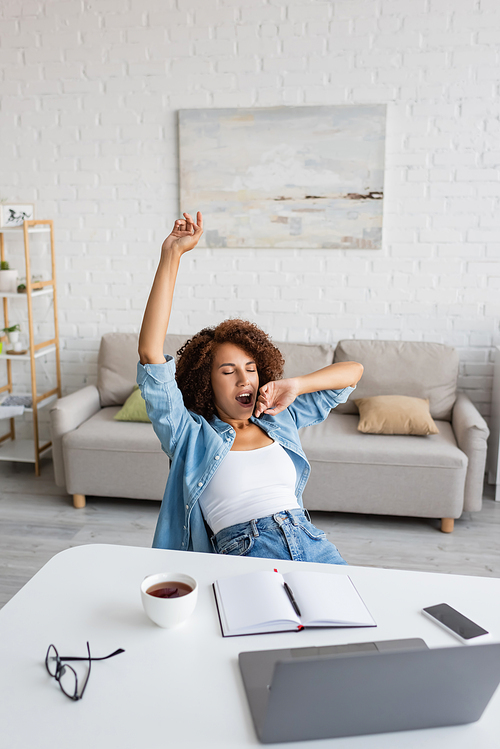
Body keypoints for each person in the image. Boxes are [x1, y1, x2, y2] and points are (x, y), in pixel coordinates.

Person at [137, 211, 364, 564]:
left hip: (312, 543)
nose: (245, 380)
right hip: (247, 553)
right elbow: (151, 353)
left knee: (353, 617)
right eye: (228, 372)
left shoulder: (277, 416)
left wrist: (296, 385)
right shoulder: (189, 435)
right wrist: (172, 253)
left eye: (251, 369)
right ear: (205, 382)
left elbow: (353, 371)